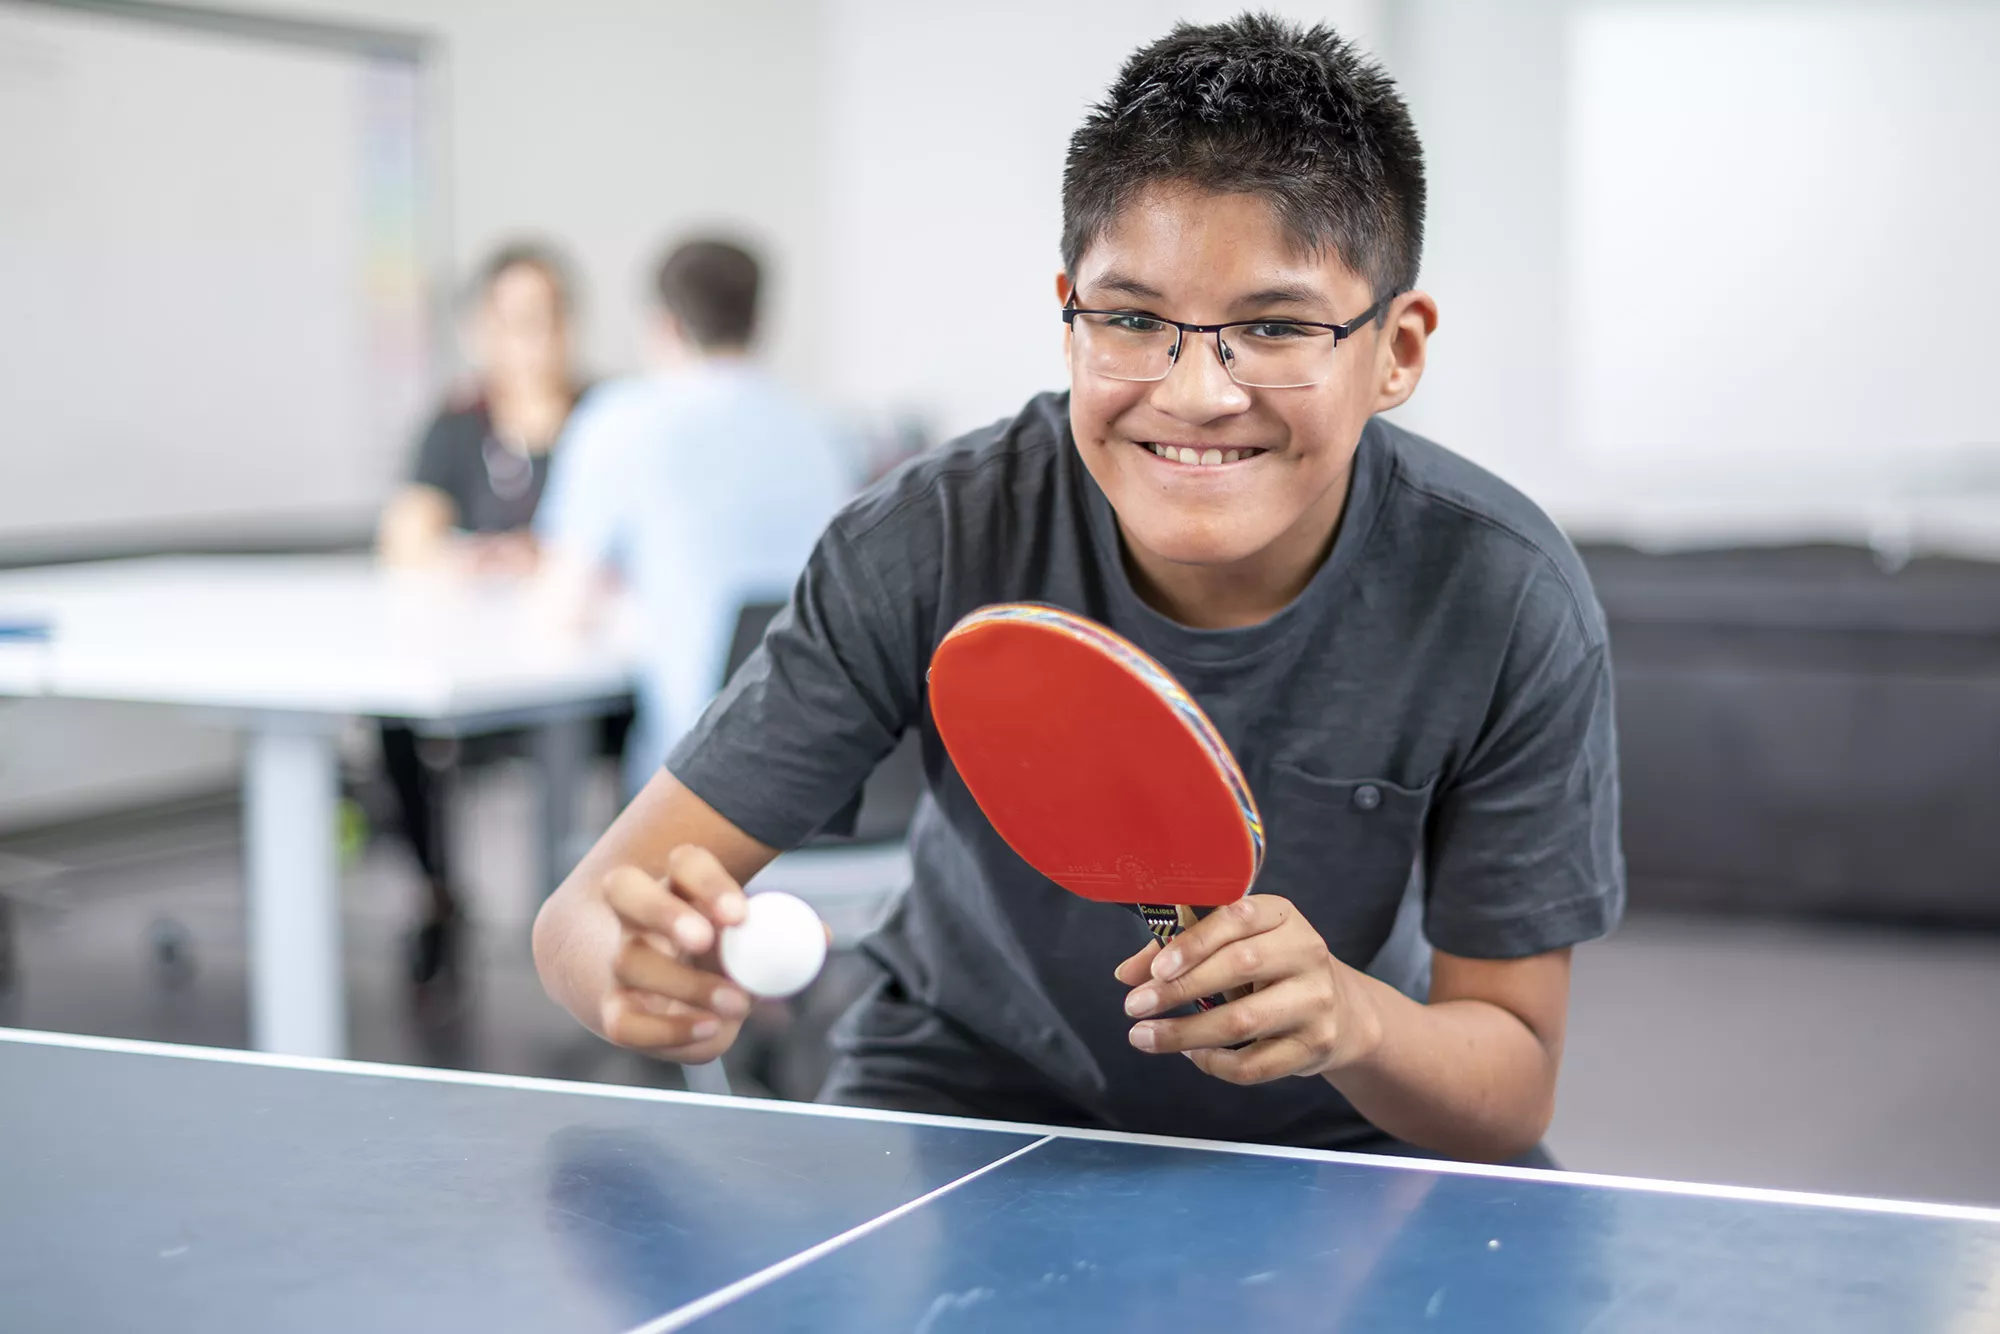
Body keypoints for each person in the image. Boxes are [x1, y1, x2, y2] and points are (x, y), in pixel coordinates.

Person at [532, 16, 1624, 1163]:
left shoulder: (1505, 594)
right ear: (1068, 316)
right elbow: (581, 915)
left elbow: (1509, 1084)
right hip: (958, 1096)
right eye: (1133, 319)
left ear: (1395, 349)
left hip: (1349, 1131)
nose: (1196, 391)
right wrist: (627, 960)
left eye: (1273, 326)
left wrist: (1350, 1020)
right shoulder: (927, 539)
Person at [534, 237, 855, 801]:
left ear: (664, 326)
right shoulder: (825, 433)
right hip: (832, 784)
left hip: (694, 798)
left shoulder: (619, 422)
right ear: (759, 320)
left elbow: (562, 609)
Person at [375, 241, 593, 985]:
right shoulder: (458, 424)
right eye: (514, 320)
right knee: (393, 718)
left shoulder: (608, 418)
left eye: (548, 318)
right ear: (482, 329)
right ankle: (437, 892)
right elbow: (405, 537)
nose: (532, 339)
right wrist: (478, 558)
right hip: (482, 672)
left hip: (593, 675)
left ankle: (596, 922)